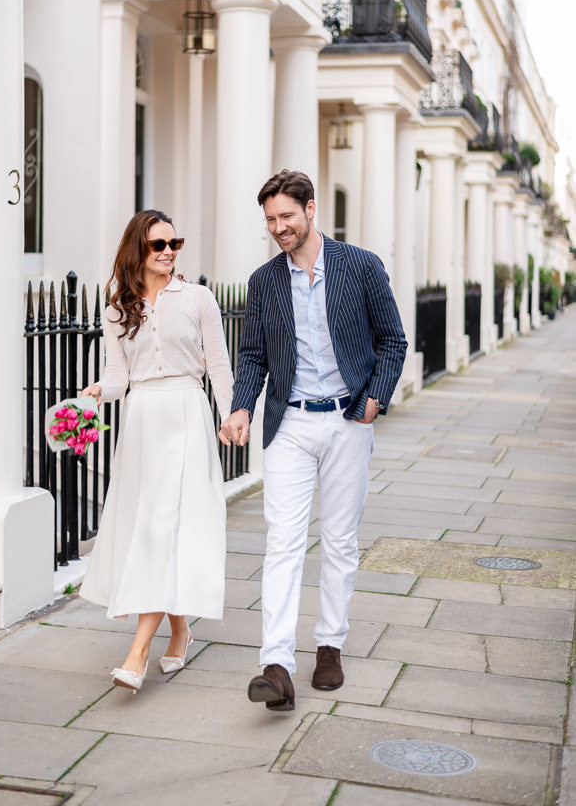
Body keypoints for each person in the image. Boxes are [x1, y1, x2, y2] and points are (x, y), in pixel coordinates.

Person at [219, 170, 407, 711]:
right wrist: (240, 406)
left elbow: (392, 341)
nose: (279, 228)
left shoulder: (361, 267)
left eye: (287, 217)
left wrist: (375, 398)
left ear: (311, 210)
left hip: (349, 420)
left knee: (341, 540)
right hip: (290, 423)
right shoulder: (264, 281)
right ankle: (276, 664)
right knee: (283, 542)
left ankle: (330, 646)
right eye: (271, 220)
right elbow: (252, 354)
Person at [79, 209, 234, 693]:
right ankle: (181, 629)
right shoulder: (116, 308)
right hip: (144, 420)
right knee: (154, 527)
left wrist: (231, 414)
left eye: (174, 243)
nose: (168, 252)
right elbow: (120, 378)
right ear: (137, 251)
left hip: (187, 413)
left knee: (166, 525)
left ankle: (137, 652)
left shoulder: (198, 298)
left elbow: (218, 364)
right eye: (158, 245)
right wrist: (97, 393)